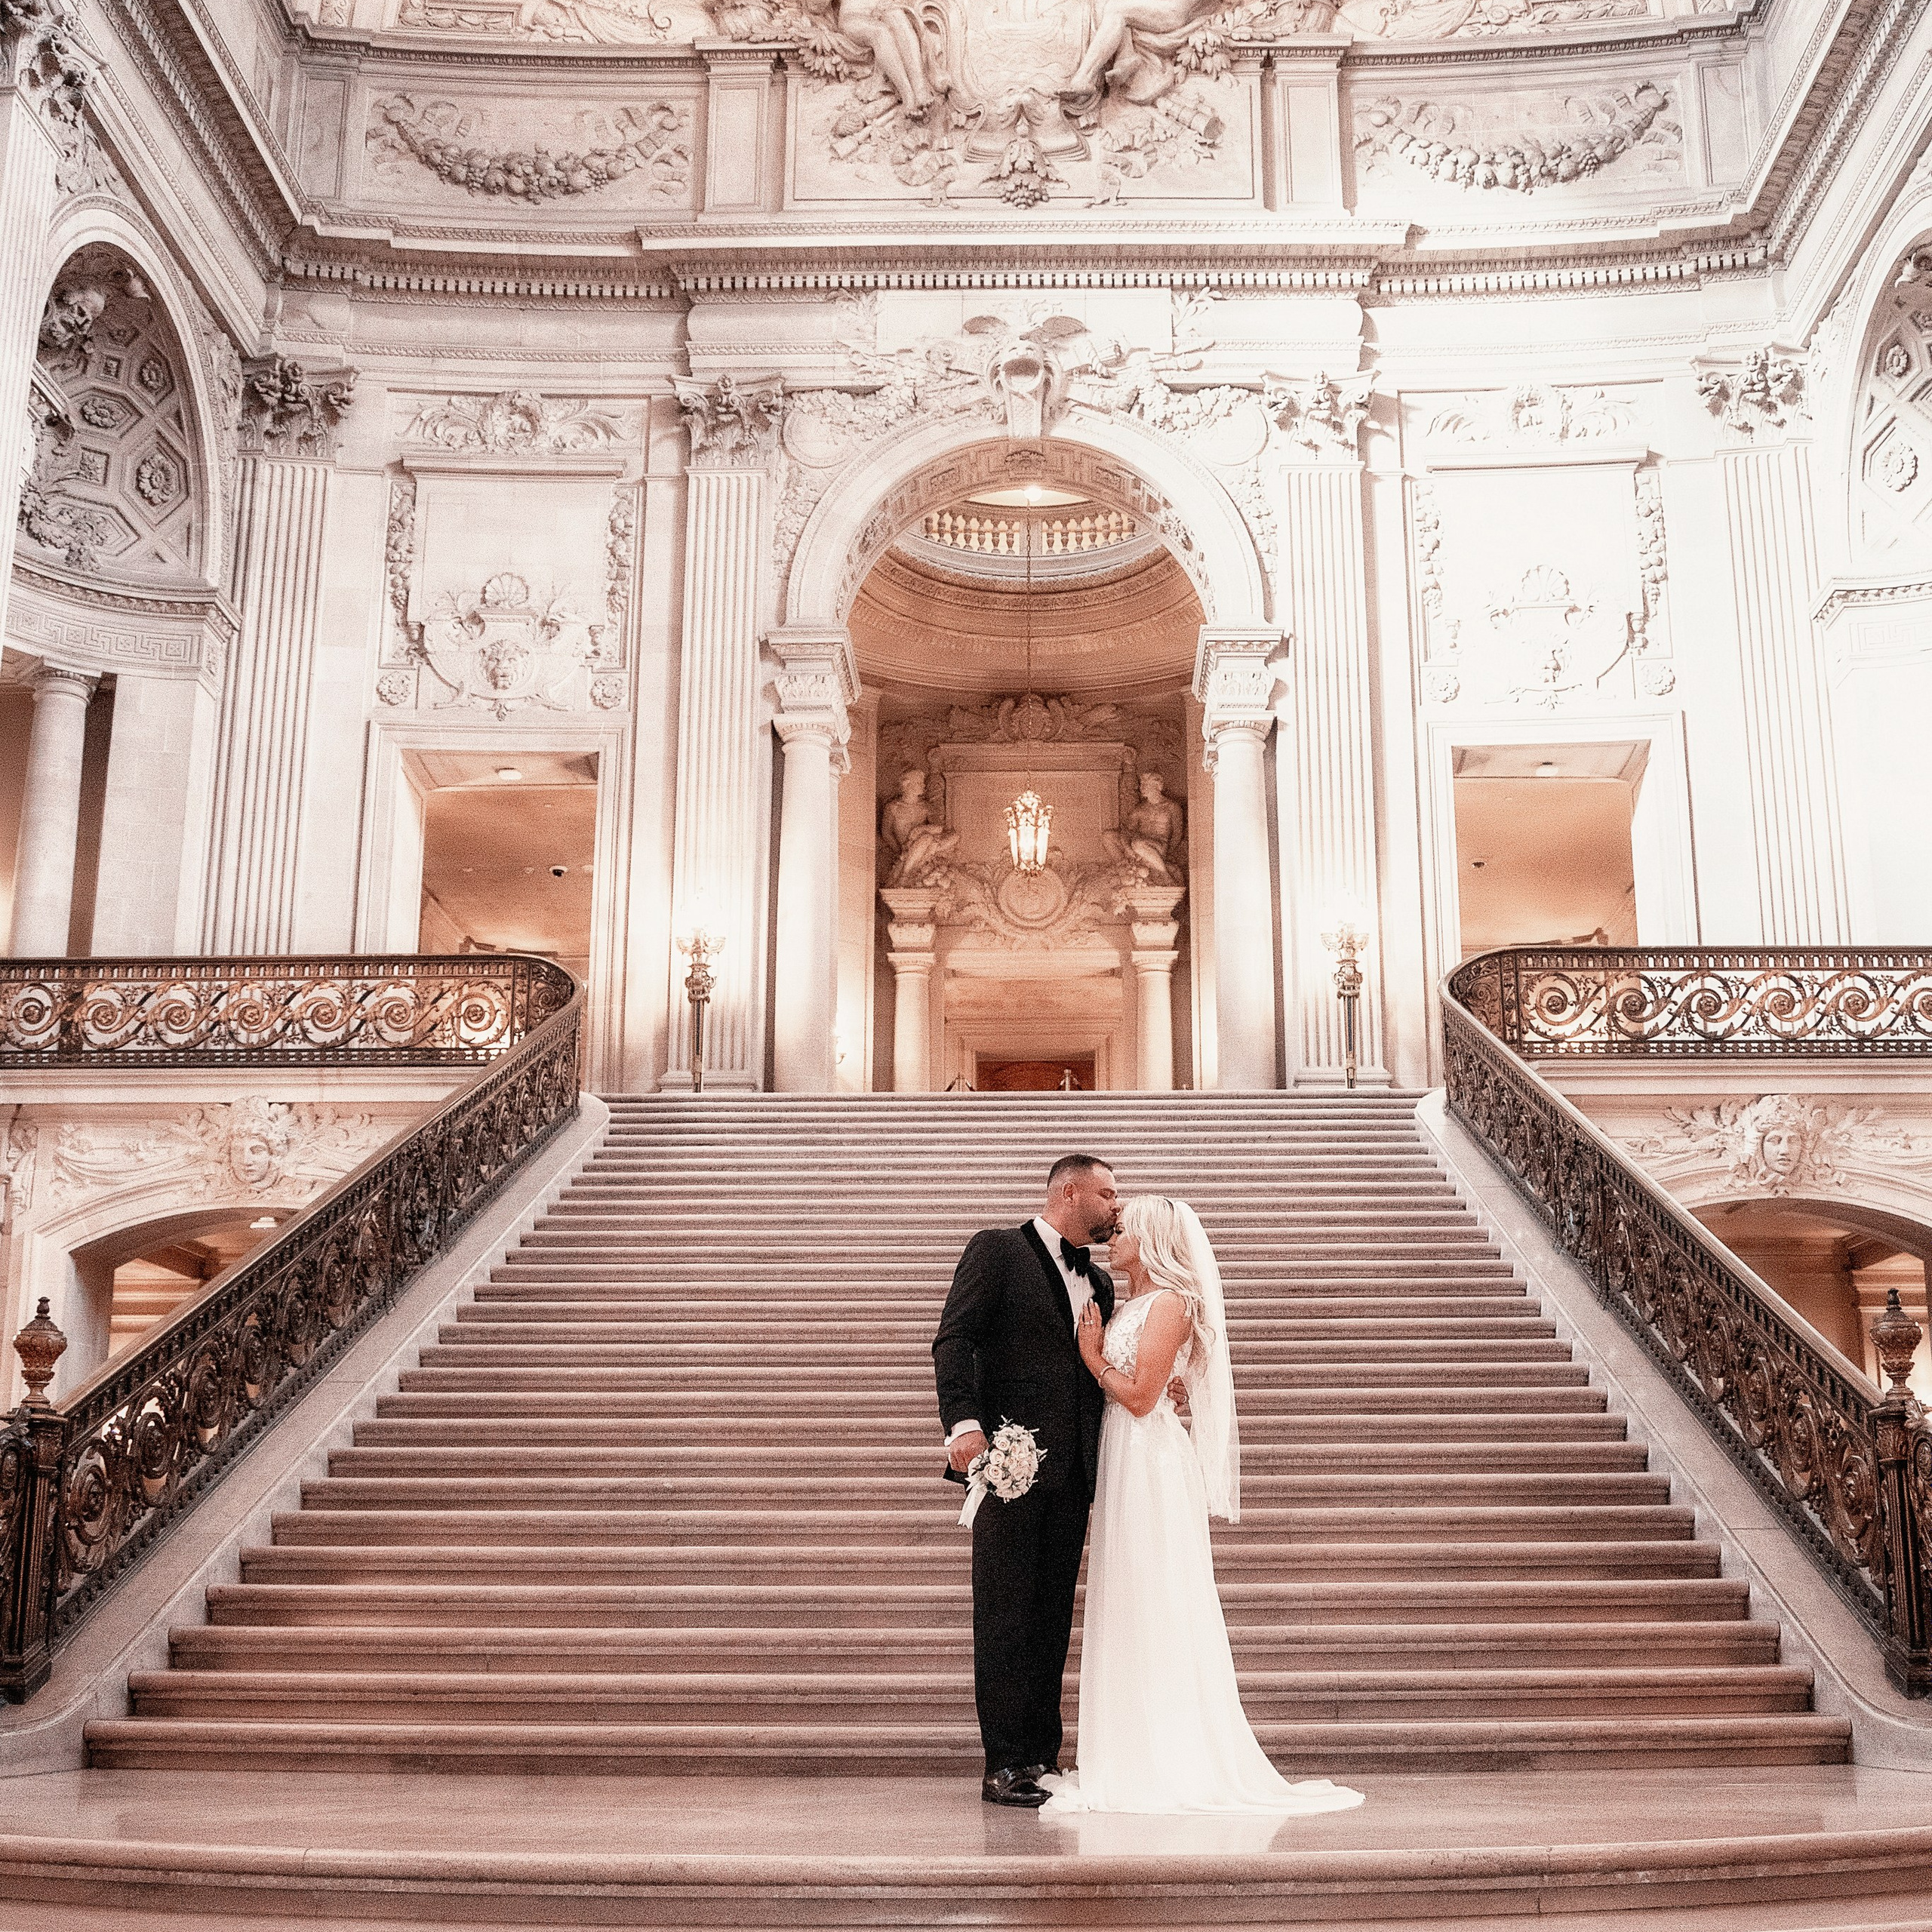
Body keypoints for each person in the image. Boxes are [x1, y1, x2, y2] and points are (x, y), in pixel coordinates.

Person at [1045, 1195, 1365, 1817]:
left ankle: (1168, 1759)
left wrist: (1091, 1358)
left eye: (1124, 1231)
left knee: (1156, 1593)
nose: (1113, 1238)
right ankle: (1126, 1750)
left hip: (1149, 1458)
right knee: (1127, 1595)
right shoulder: (1132, 1301)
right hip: (1123, 1455)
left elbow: (1140, 1398)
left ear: (1154, 1239)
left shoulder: (1170, 1303)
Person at [931, 1154, 1120, 1807]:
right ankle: (1003, 1762)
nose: (1116, 1205)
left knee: (1049, 1619)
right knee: (1005, 1616)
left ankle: (1042, 1754)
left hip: (1073, 1476)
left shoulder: (1099, 1281)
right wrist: (962, 1424)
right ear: (1070, 1191)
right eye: (1107, 1192)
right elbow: (953, 1340)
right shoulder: (995, 1251)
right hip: (1007, 1466)